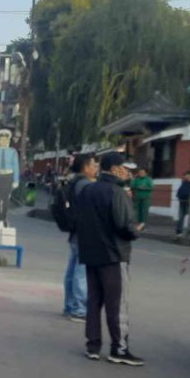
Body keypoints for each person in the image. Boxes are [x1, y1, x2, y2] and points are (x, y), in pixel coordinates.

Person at [76, 152, 144, 366]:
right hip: (114, 255)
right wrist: (136, 230)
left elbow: (77, 220)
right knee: (117, 305)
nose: (128, 173)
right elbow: (125, 226)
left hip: (91, 254)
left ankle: (93, 346)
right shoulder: (117, 192)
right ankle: (119, 349)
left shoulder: (88, 190)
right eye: (125, 168)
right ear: (115, 169)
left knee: (94, 302)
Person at [62, 154, 98, 323]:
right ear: (85, 167)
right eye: (93, 164)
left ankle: (70, 306)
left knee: (73, 269)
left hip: (76, 231)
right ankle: (79, 309)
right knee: (81, 272)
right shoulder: (85, 185)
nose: (96, 168)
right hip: (85, 232)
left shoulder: (74, 182)